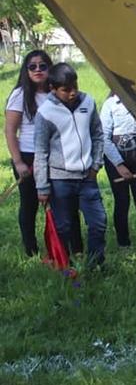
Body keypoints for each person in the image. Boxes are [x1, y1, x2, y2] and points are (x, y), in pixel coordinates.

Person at [4, 50, 79, 257]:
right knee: (29, 205)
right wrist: (18, 162)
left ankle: (64, 249)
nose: (38, 70)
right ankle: (31, 251)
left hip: (56, 157)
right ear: (26, 70)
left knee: (62, 203)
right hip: (28, 156)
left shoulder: (57, 93)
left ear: (50, 68)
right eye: (32, 66)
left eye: (43, 66)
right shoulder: (20, 94)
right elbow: (10, 130)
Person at [33, 63, 107, 267]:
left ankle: (96, 266)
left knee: (98, 223)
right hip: (60, 180)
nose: (73, 93)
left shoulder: (88, 102)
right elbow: (41, 151)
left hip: (87, 178)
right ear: (53, 89)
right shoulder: (45, 113)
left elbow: (98, 135)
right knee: (63, 227)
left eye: (75, 86)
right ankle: (65, 266)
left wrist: (96, 166)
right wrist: (42, 186)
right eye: (66, 90)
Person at [101, 92, 136, 249]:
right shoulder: (110, 105)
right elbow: (104, 138)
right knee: (122, 203)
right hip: (116, 164)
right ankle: (123, 243)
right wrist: (119, 164)